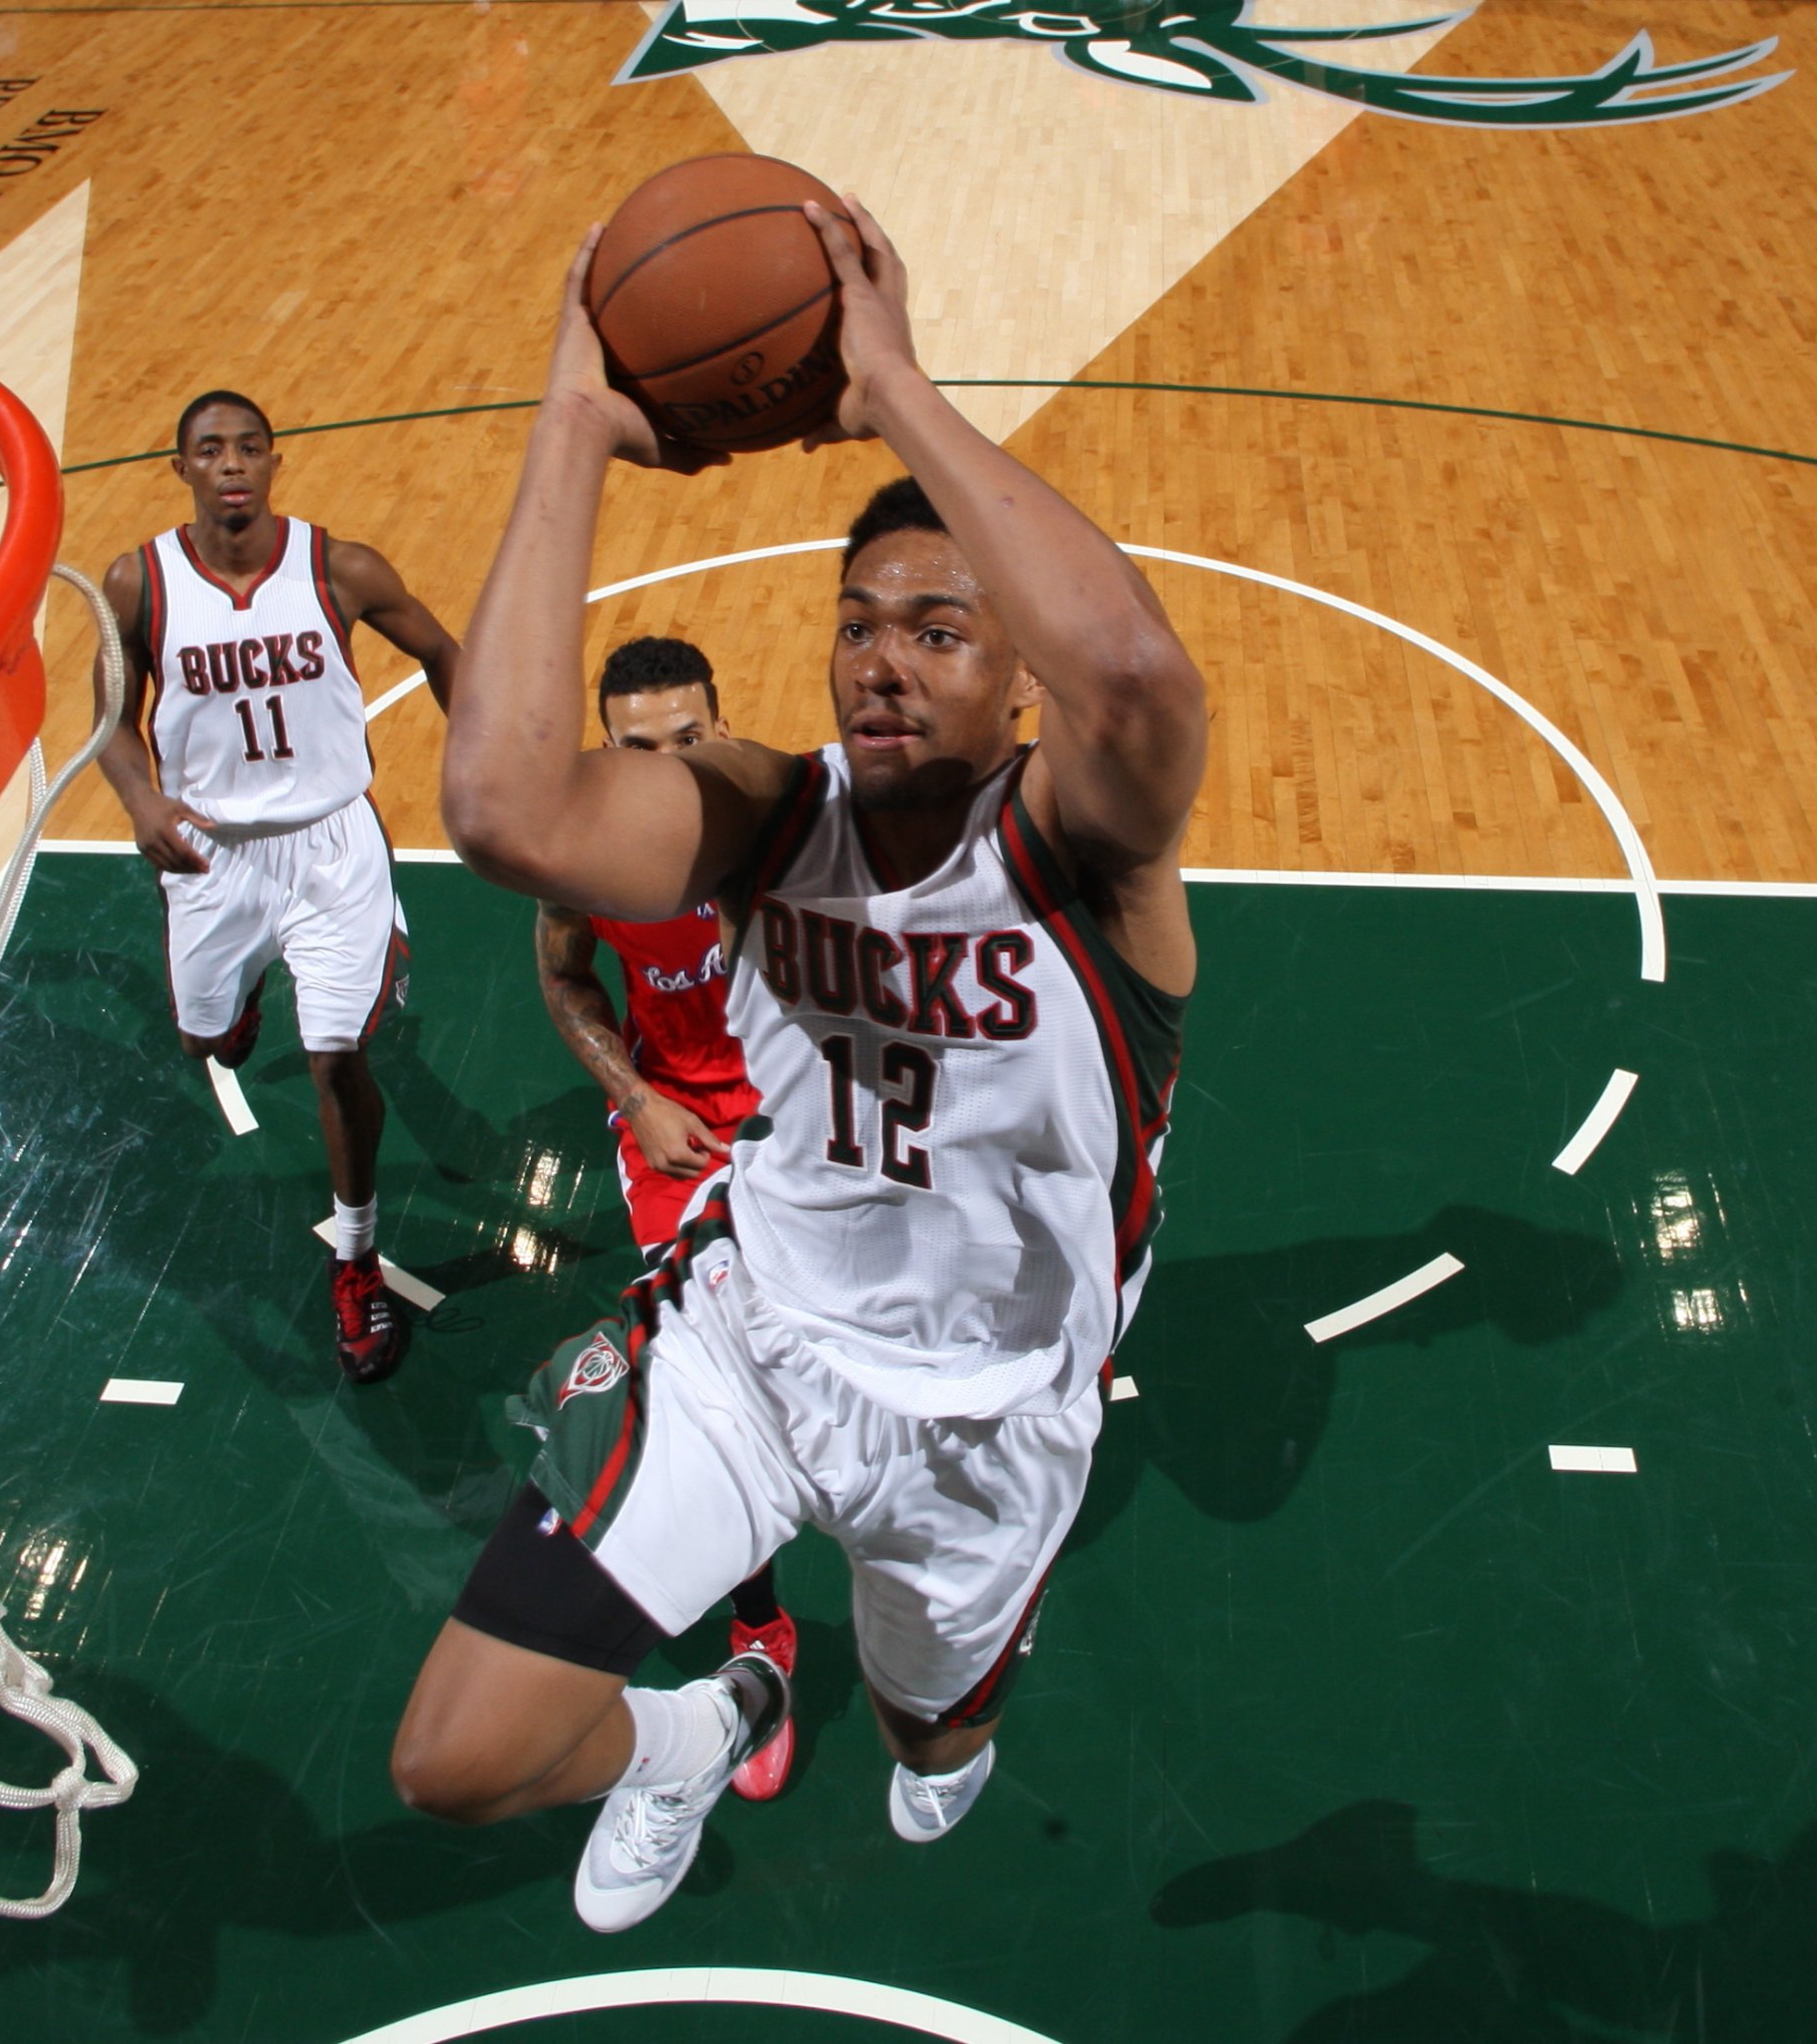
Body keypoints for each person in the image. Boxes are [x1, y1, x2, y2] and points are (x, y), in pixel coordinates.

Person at [393, 193, 1204, 1934]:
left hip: (988, 1411)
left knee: (933, 1724)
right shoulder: (769, 813)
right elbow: (500, 807)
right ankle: (688, 1731)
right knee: (453, 1757)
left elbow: (1137, 676)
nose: (882, 658)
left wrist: (890, 383)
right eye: (856, 620)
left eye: (940, 625)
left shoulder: (1088, 857)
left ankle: (935, 1712)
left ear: (1016, 683)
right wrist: (579, 420)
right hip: (752, 1347)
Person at [92, 389, 461, 1382]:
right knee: (203, 1039)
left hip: (331, 843)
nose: (230, 465)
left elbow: (438, 649)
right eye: (209, 450)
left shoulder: (337, 567)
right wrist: (139, 802)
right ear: (182, 468)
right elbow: (111, 719)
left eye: (248, 448)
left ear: (272, 461)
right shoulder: (141, 584)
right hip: (214, 852)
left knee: (337, 1055)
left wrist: (480, 755)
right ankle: (240, 994)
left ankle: (354, 1257)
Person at [533, 632, 791, 1802]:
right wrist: (633, 1096)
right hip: (680, 1128)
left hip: (809, 1111)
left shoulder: (786, 824)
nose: (664, 764)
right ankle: (760, 1634)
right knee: (717, 1399)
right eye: (636, 746)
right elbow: (564, 973)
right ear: (605, 750)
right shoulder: (581, 848)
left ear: (722, 731)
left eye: (687, 739)